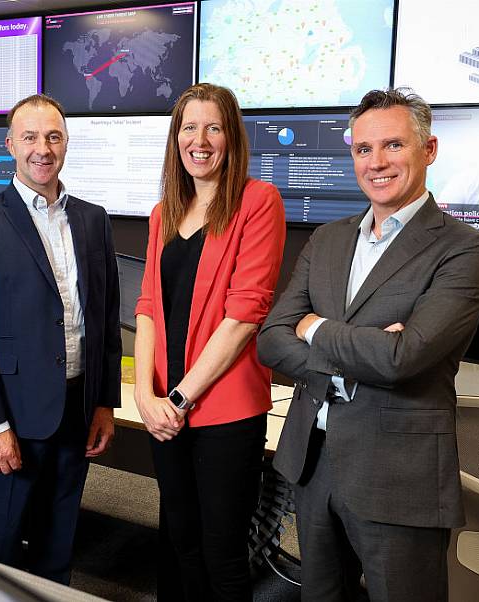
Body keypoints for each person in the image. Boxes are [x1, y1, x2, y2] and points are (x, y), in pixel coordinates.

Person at [257, 88, 479, 602]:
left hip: (396, 472)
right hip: (312, 461)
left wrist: (315, 328)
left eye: (393, 145)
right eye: (364, 149)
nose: (377, 162)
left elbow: (402, 358)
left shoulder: (465, 249)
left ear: (428, 149)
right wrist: (358, 348)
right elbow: (272, 339)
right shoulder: (327, 239)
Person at [0, 94, 121, 584]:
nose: (42, 148)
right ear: (10, 145)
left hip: (77, 407)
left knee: (58, 540)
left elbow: (105, 320)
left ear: (66, 143)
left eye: (53, 136)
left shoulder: (93, 219)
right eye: (30, 137)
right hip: (14, 416)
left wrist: (105, 402)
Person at [134, 82, 286, 601]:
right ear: (176, 138)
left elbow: (245, 315)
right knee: (181, 543)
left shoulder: (257, 202)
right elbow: (149, 307)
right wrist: (144, 395)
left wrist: (178, 398)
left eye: (214, 127)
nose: (200, 139)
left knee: (221, 553)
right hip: (165, 410)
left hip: (223, 412)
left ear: (232, 137)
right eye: (189, 127)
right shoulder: (163, 213)